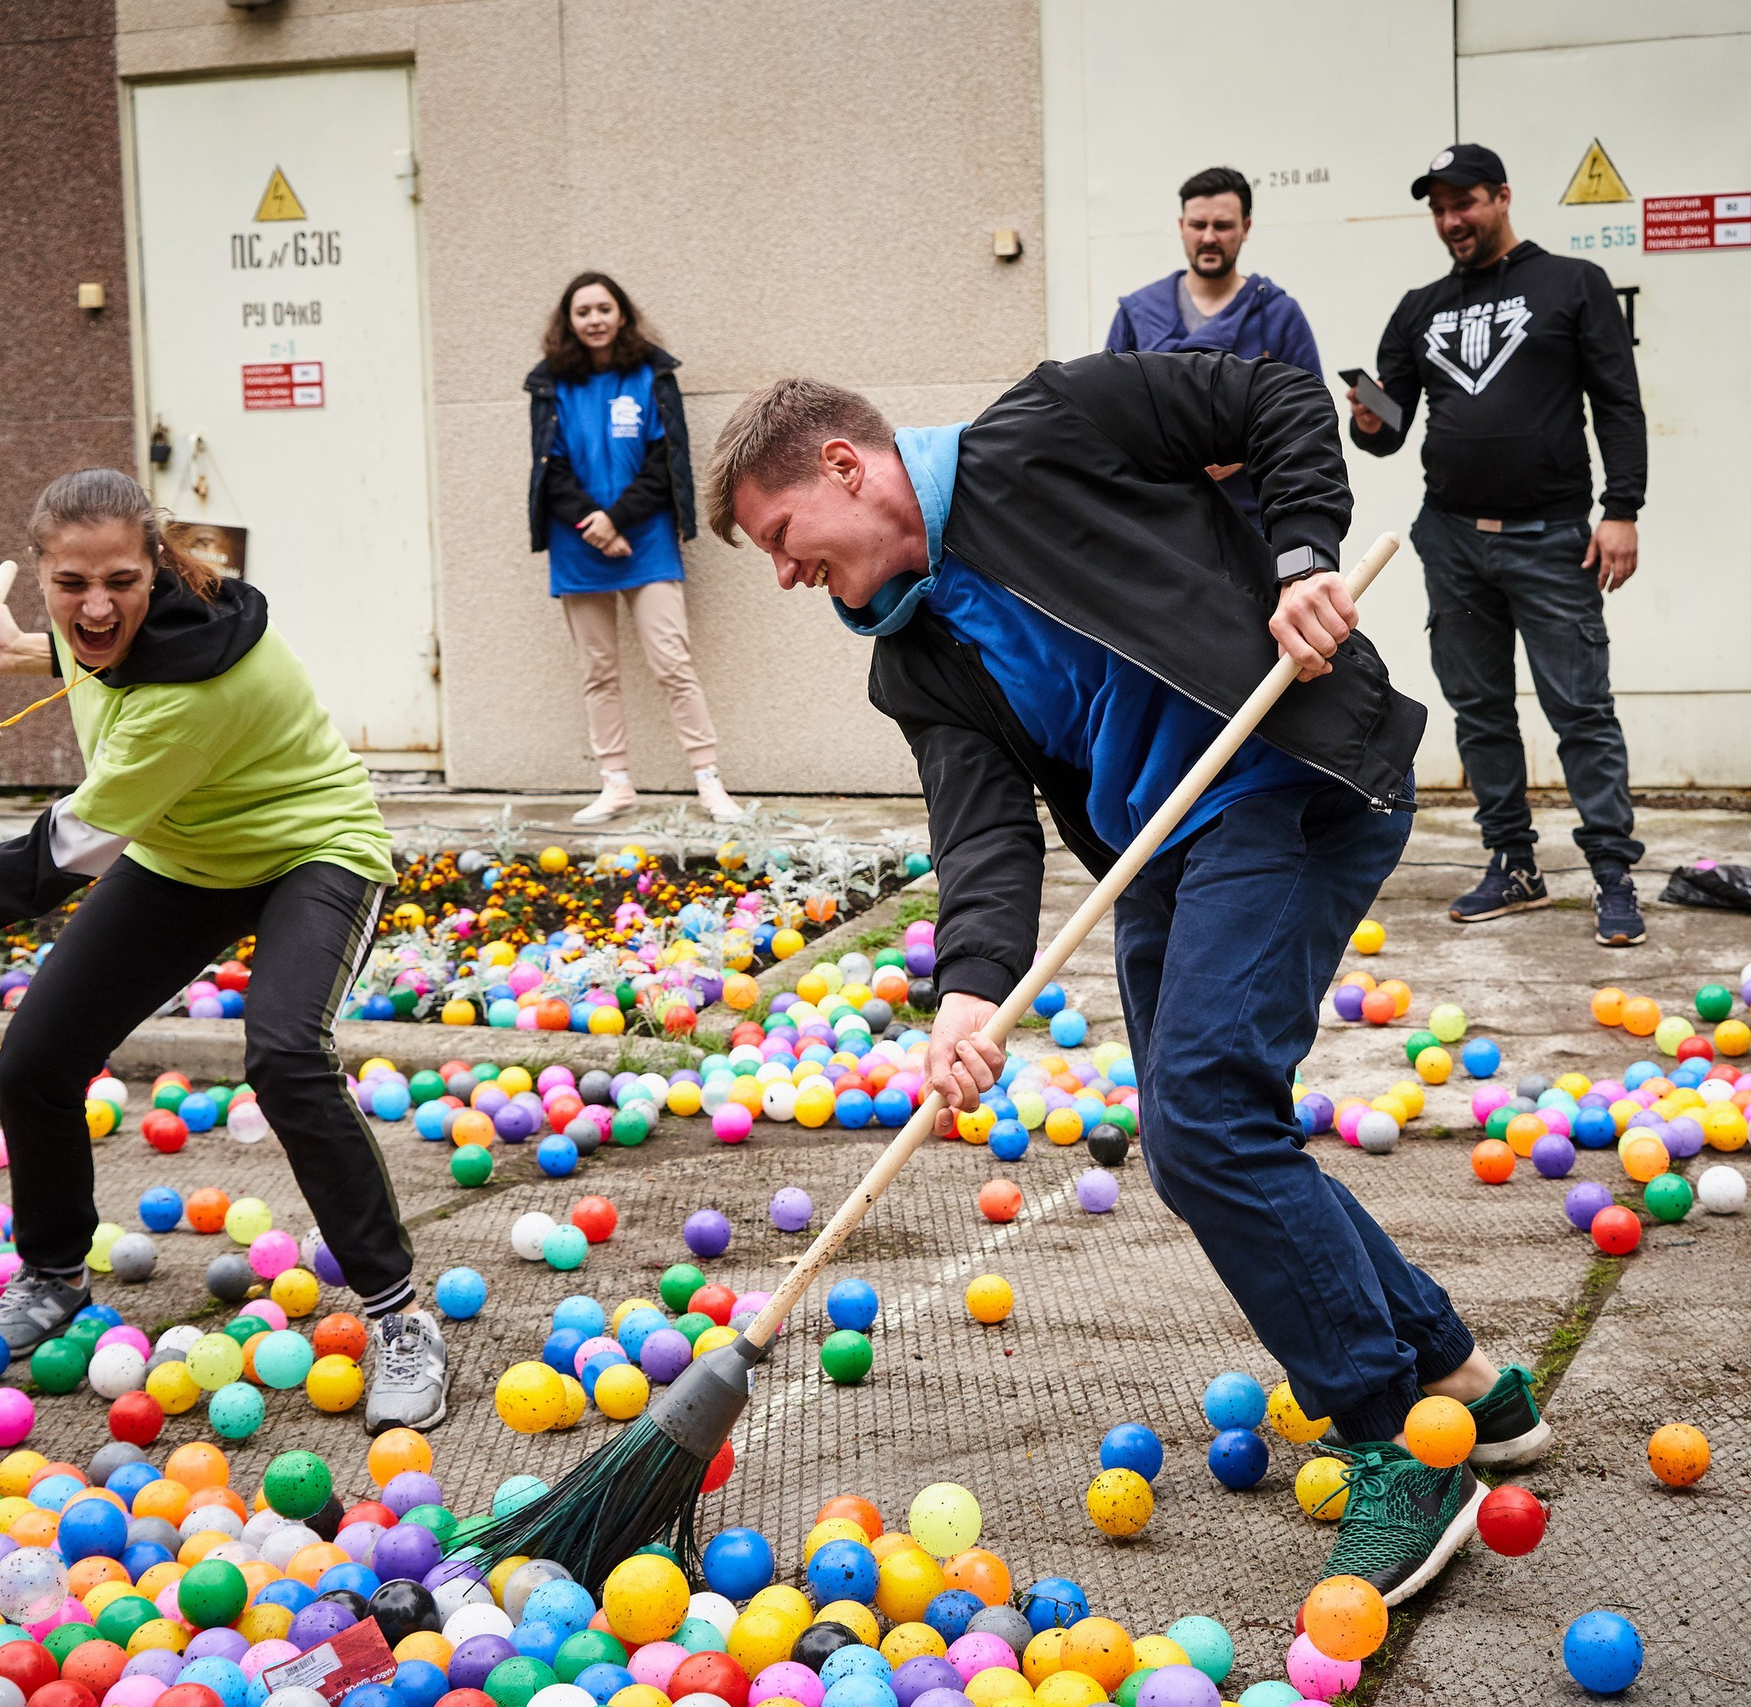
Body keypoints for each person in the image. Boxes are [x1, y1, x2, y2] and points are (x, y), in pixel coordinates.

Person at [706, 354, 1551, 1606]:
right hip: (1163, 843)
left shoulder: (1045, 429)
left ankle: (1394, 1444)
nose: (782, 575)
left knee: (1209, 1123)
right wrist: (967, 991)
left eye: (781, 538)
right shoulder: (911, 658)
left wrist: (1301, 557)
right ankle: (1463, 1382)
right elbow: (982, 837)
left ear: (846, 467)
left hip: (1282, 770)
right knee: (1197, 1134)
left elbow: (1267, 395)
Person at [0, 469, 450, 1434]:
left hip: (311, 848)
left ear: (156, 568)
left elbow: (61, 853)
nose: (95, 606)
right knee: (36, 1060)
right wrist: (20, 650)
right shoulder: (105, 634)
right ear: (41, 576)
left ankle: (400, 1315)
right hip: (189, 851)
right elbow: (88, 656)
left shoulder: (193, 689)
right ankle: (55, 1269)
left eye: (118, 581)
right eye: (70, 585)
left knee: (284, 1054)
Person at [1345, 143, 1650, 946]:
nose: (1451, 222)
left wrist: (1622, 508)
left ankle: (1614, 874)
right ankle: (1512, 862)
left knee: (1580, 709)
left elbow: (1618, 401)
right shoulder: (1420, 307)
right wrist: (1367, 418)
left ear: (1502, 197)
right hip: (1450, 539)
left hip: (1552, 537)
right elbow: (1391, 427)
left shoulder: (1571, 284)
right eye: (1439, 210)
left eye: (1465, 203)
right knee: (1479, 711)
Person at [526, 272, 744, 826]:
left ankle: (709, 782)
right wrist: (591, 524)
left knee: (672, 662)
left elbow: (664, 463)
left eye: (604, 308)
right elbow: (549, 467)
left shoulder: (651, 373)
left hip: (645, 538)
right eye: (583, 311)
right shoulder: (551, 383)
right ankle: (616, 784)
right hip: (577, 544)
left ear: (621, 314)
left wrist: (616, 519)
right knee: (597, 671)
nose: (594, 319)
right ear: (569, 322)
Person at [1103, 165, 1324, 530]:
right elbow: (1109, 416)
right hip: (1160, 522)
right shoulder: (1138, 314)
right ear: (1181, 226)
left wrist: (1242, 452)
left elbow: (1309, 420)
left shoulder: (1279, 316)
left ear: (1246, 228)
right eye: (1197, 225)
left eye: (1222, 226)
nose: (1208, 237)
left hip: (1253, 521)